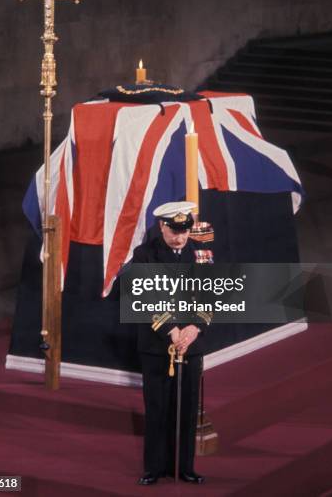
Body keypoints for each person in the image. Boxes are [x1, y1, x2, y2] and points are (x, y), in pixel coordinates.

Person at [132, 201, 212, 485]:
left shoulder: (201, 255)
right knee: (157, 408)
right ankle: (154, 467)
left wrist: (194, 327)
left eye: (185, 230)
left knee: (188, 408)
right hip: (157, 345)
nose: (180, 237)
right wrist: (171, 330)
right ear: (161, 226)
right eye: (175, 230)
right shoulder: (144, 256)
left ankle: (185, 466)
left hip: (191, 343)